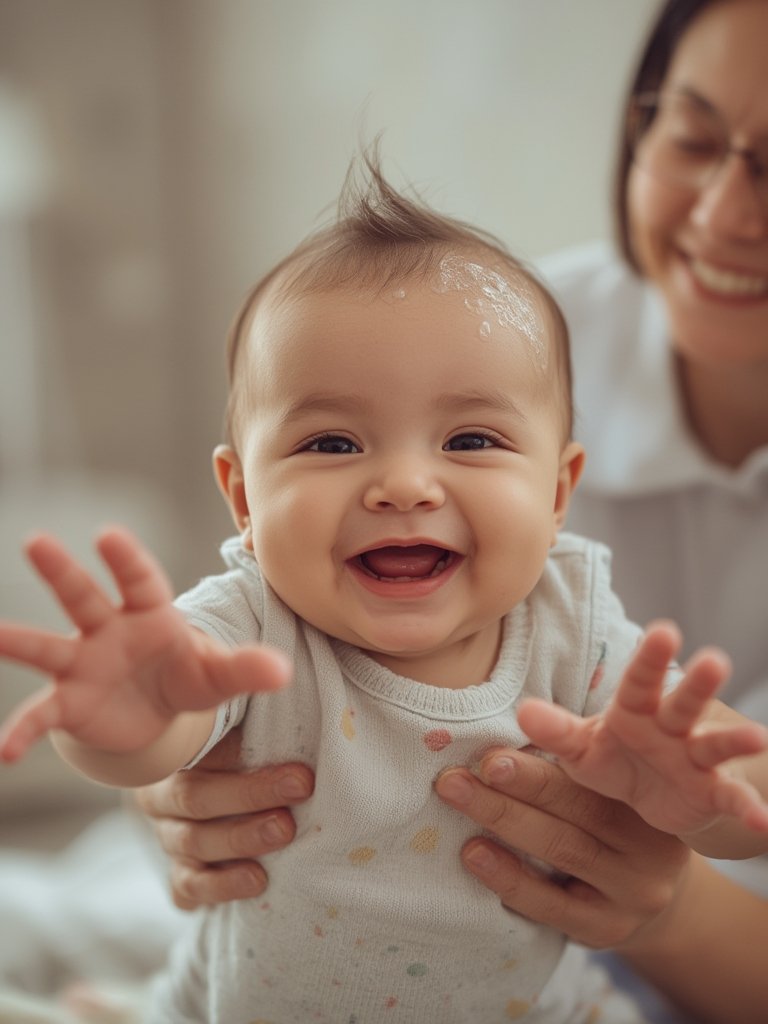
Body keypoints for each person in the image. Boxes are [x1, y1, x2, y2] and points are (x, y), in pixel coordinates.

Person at [1, 154, 767, 1024]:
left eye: (471, 440)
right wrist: (125, 720)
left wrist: (711, 789)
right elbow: (155, 749)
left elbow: (735, 792)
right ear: (244, 499)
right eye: (331, 444)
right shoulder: (253, 622)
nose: (404, 485)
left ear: (558, 494)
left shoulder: (571, 624)